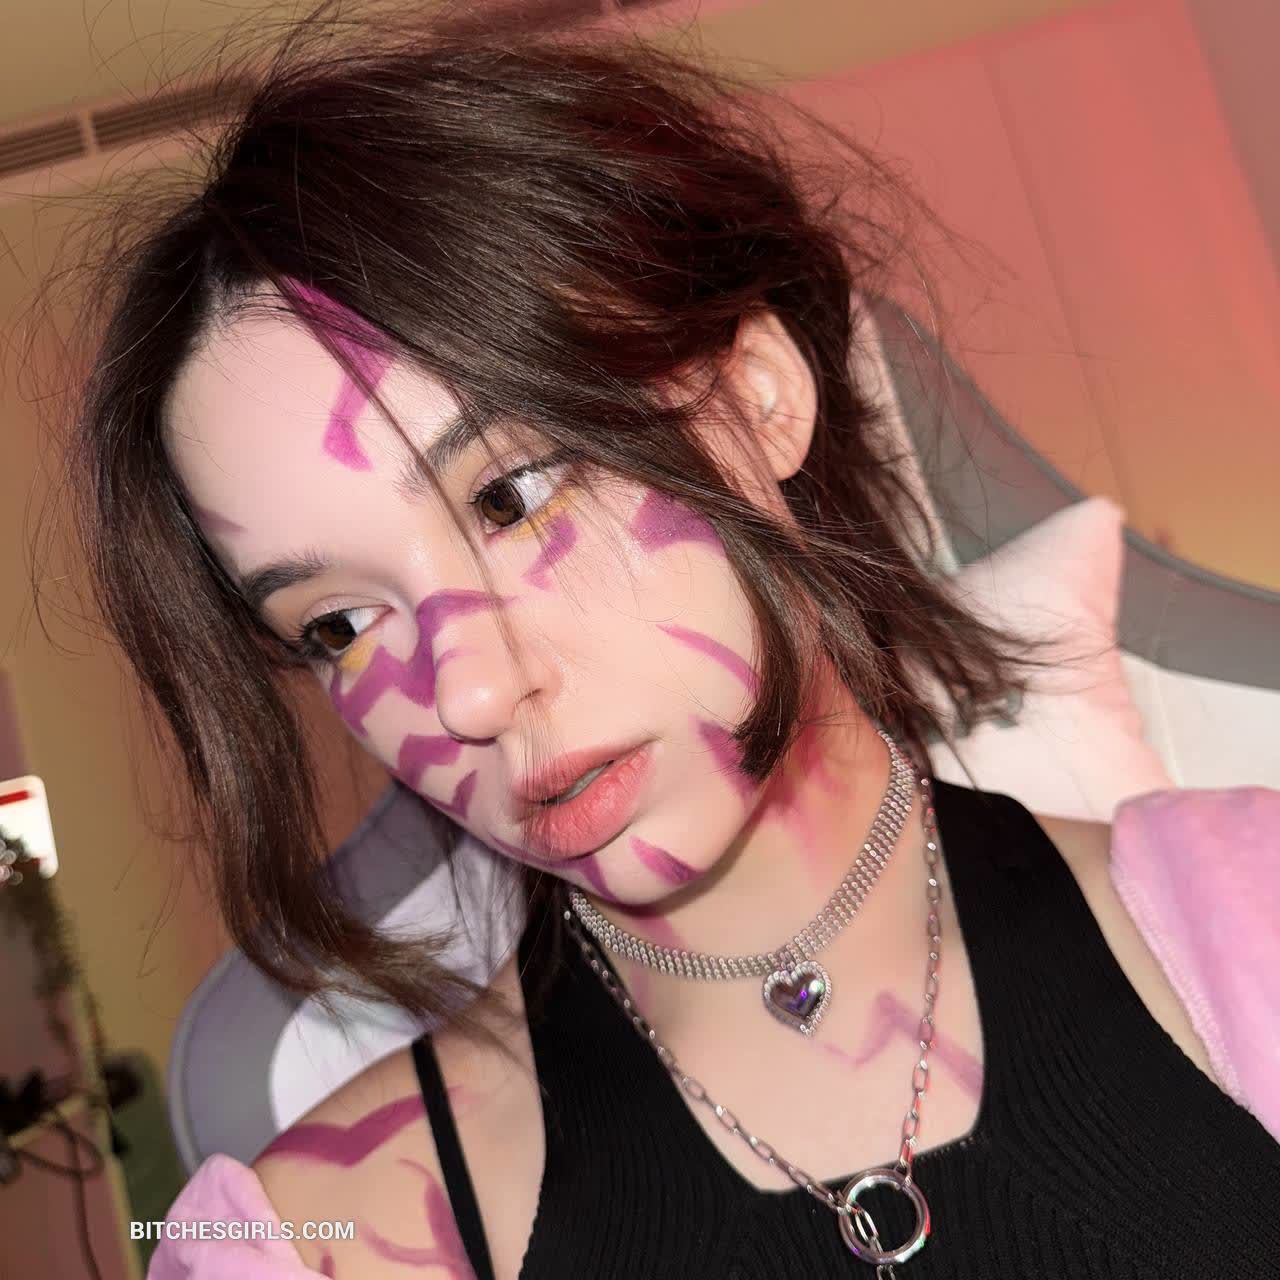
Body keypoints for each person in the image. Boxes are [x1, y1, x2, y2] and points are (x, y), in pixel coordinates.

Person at [63, 12, 1279, 1280]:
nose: (466, 690)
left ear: (758, 395)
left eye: (511, 494)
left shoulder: (1252, 917)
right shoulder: (321, 1239)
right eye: (339, 623)